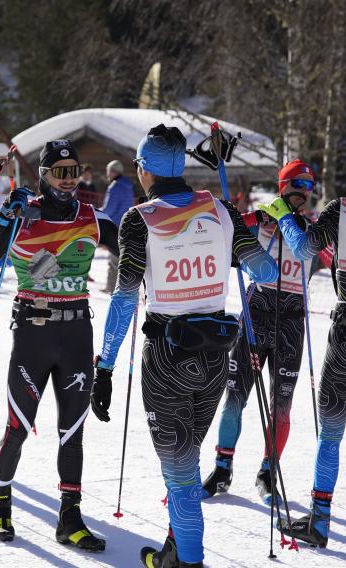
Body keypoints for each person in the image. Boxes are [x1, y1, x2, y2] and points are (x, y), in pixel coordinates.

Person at [91, 125, 278, 567]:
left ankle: (189, 562)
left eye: (138, 166)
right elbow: (267, 272)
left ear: (145, 171)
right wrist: (232, 239)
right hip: (215, 357)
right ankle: (175, 552)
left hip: (167, 359)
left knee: (179, 473)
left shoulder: (140, 218)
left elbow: (122, 300)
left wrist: (105, 368)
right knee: (187, 461)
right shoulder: (221, 209)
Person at [0, 139, 118, 551]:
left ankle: (69, 519)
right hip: (33, 335)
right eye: (60, 172)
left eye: (75, 172)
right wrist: (4, 216)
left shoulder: (93, 216)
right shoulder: (24, 214)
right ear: (44, 174)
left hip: (75, 335)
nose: (69, 180)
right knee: (17, 428)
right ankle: (1, 504)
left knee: (73, 432)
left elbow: (134, 251)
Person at [202, 160, 317, 505]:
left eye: (308, 186)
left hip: (292, 319)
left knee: (281, 405)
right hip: (258, 312)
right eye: (295, 185)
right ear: (283, 187)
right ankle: (223, 469)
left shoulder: (312, 229)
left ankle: (268, 472)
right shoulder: (264, 217)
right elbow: (228, 228)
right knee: (235, 395)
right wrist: (255, 218)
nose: (302, 192)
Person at [258, 165, 346, 548]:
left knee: (331, 428)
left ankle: (320, 521)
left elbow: (307, 248)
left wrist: (283, 218)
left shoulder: (340, 209)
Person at [100, 159, 134, 293]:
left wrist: (97, 211)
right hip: (126, 224)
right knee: (122, 258)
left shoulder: (114, 187)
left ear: (113, 172)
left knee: (114, 259)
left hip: (115, 226)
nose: (108, 174)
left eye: (108, 171)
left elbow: (109, 209)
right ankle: (123, 287)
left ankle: (111, 288)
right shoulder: (128, 186)